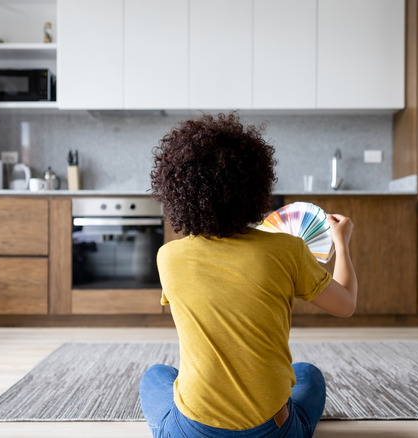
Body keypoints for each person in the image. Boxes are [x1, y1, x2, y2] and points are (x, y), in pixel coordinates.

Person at [140, 112, 358, 438]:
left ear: (177, 192)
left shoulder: (168, 257)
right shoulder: (288, 249)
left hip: (194, 431)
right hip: (273, 431)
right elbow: (346, 303)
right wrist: (341, 243)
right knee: (308, 374)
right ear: (257, 186)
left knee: (156, 375)